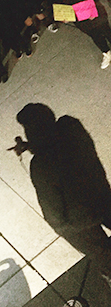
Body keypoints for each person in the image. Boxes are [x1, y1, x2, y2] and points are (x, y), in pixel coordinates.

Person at [15, 103, 111, 285]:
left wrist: (63, 230)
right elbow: (55, 142)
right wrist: (31, 146)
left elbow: (53, 213)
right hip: (101, 195)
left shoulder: (40, 166)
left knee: (102, 253)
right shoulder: (71, 127)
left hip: (79, 221)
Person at [49, 0, 111, 68]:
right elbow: (63, 8)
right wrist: (65, 18)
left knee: (106, 30)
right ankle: (106, 52)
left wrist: (92, 8)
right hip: (81, 20)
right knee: (95, 35)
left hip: (95, 13)